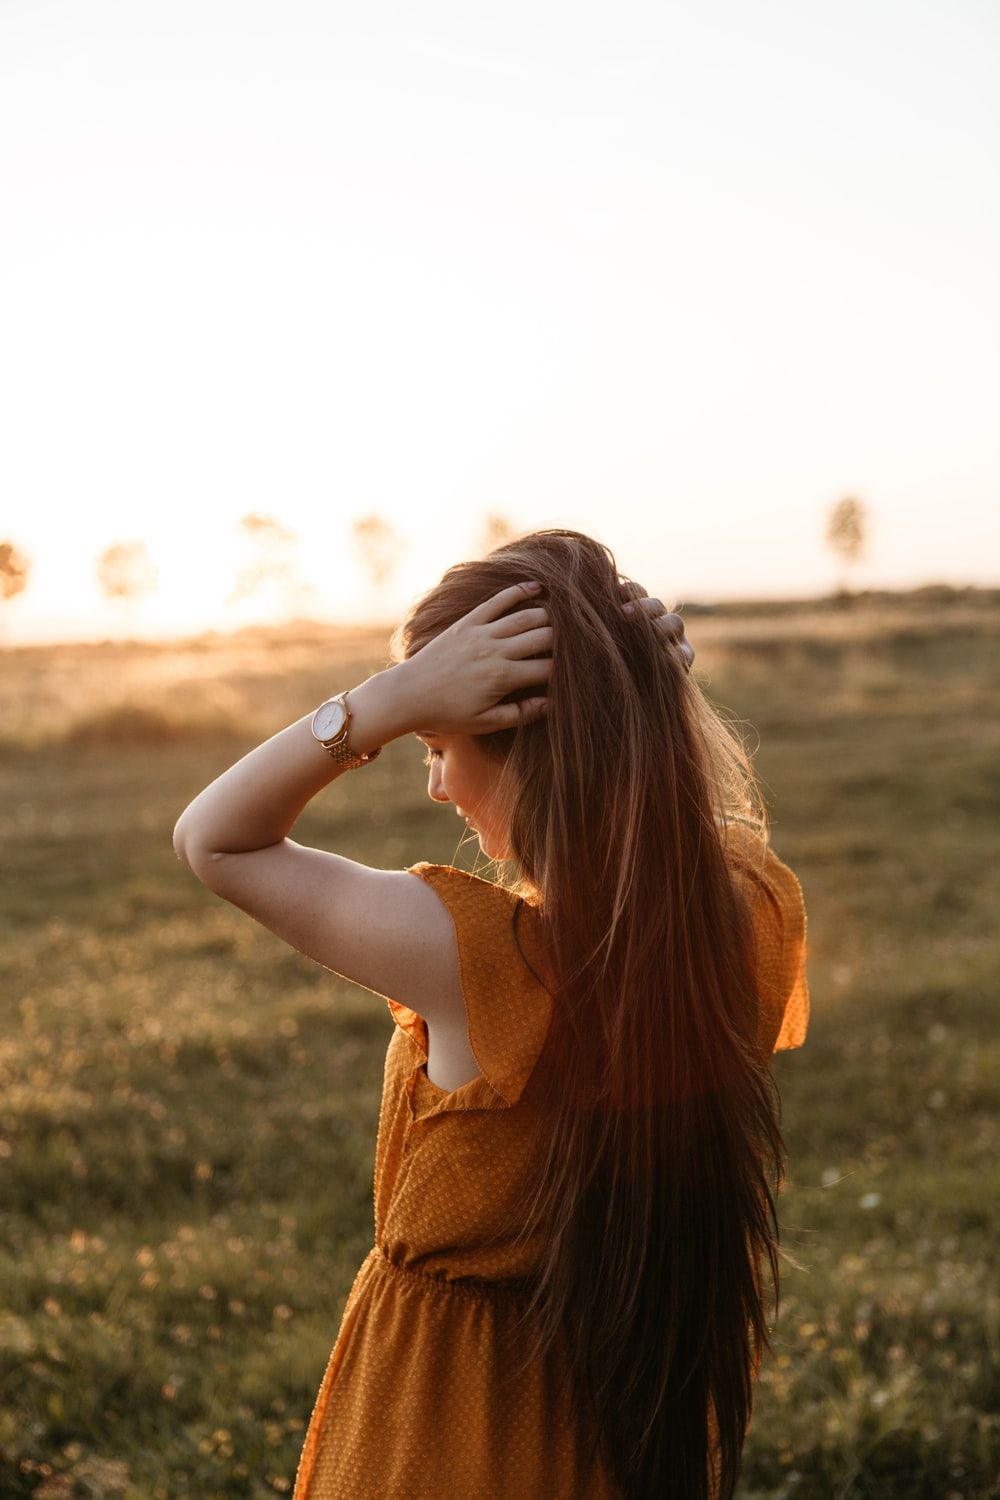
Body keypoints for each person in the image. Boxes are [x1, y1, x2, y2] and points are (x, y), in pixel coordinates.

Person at [172, 527, 809, 1499]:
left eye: (436, 747)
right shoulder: (741, 914)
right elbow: (676, 824)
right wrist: (637, 695)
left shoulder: (480, 957)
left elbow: (213, 840)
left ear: (531, 755)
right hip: (610, 1425)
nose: (434, 784)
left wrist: (380, 703)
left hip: (437, 1429)